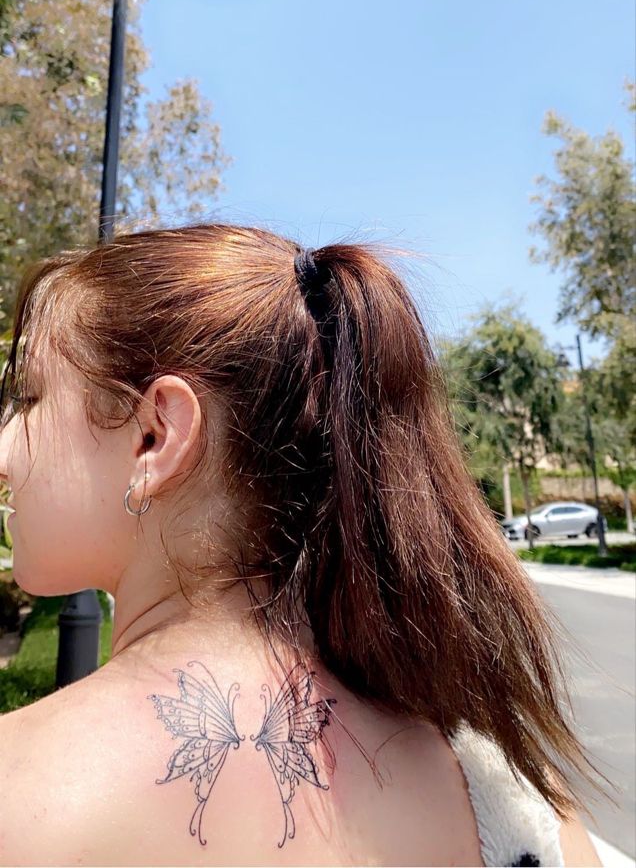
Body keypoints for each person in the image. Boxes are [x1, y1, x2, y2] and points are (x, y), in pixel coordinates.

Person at [0, 223, 609, 866]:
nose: (4, 451)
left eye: (29, 398)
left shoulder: (19, 797)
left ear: (155, 435)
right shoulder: (516, 801)